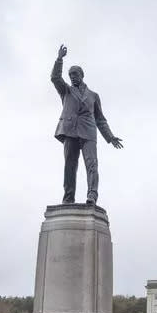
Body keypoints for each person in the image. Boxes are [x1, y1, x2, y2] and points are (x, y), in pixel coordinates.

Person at [51, 44, 123, 205]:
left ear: (82, 75)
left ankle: (92, 195)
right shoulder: (66, 91)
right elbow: (55, 78)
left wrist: (110, 137)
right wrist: (59, 60)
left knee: (92, 165)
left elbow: (100, 119)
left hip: (88, 132)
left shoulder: (93, 96)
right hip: (70, 131)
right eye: (70, 75)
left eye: (75, 74)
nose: (72, 77)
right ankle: (68, 198)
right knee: (69, 166)